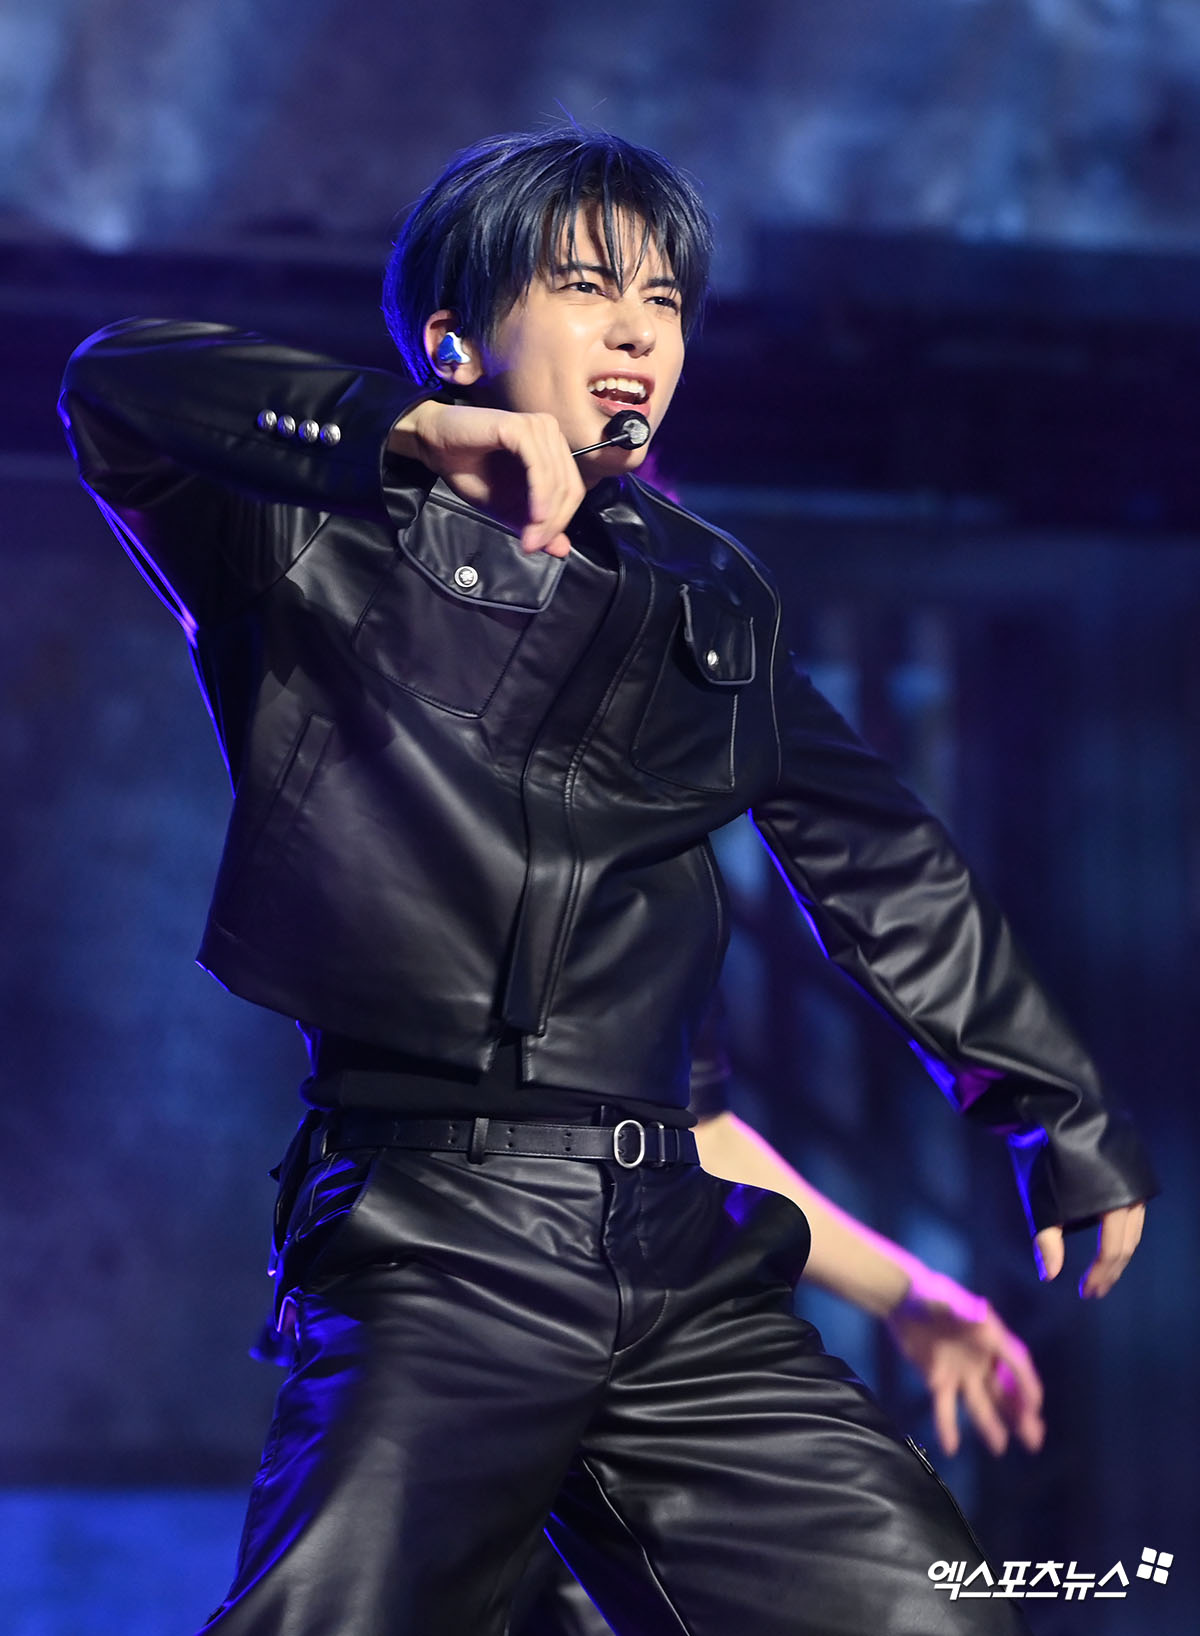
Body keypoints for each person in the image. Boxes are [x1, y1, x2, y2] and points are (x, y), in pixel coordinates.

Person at [59, 127, 1154, 1636]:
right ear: (457, 337)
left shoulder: (708, 603)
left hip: (682, 1261)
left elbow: (883, 861)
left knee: (940, 1614)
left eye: (666, 302)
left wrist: (1051, 1111)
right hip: (439, 1245)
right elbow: (115, 384)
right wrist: (405, 432)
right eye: (585, 287)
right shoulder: (307, 542)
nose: (639, 330)